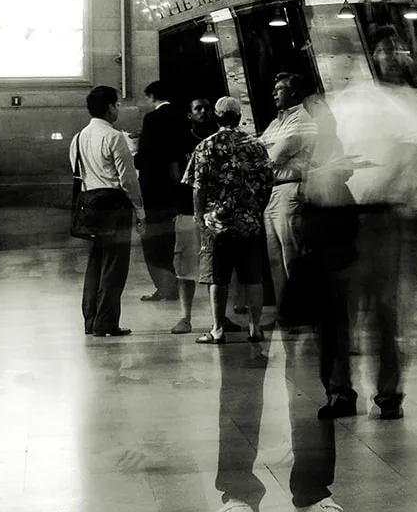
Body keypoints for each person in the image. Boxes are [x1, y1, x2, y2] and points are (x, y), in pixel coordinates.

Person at [321, 32, 417, 420]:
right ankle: (341, 393)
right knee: (340, 309)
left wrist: (415, 190)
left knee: (382, 309)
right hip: (340, 216)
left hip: (381, 217)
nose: (341, 67)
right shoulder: (341, 104)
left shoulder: (398, 102)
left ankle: (386, 395)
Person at [186, 97, 272, 345]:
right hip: (249, 222)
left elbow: (198, 186)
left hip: (217, 222)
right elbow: (267, 183)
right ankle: (255, 327)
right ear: (239, 115)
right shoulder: (256, 145)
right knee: (253, 277)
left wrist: (199, 215)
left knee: (217, 277)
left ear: (216, 116)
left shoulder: (206, 146)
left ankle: (217, 329)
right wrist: (256, 210)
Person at [71, 85, 143, 337]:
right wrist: (140, 211)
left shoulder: (78, 137)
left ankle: (90, 320)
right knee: (115, 266)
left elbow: (78, 172)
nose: (118, 109)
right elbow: (128, 180)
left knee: (95, 263)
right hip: (115, 205)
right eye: (117, 105)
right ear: (110, 107)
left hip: (90, 204)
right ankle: (106, 322)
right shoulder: (115, 137)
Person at [257, 72, 321, 312]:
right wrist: (268, 151)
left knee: (291, 254)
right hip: (272, 192)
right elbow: (259, 151)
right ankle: (287, 309)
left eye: (280, 89)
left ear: (293, 92)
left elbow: (274, 155)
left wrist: (269, 150)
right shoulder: (276, 122)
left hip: (289, 190)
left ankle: (304, 308)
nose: (274, 93)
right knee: (275, 257)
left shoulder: (302, 120)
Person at [135, 82, 191, 304]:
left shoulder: (152, 119)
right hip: (177, 188)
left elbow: (147, 155)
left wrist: (134, 154)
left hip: (154, 188)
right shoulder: (182, 117)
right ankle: (176, 285)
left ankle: (165, 287)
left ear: (152, 97)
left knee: (153, 241)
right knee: (172, 240)